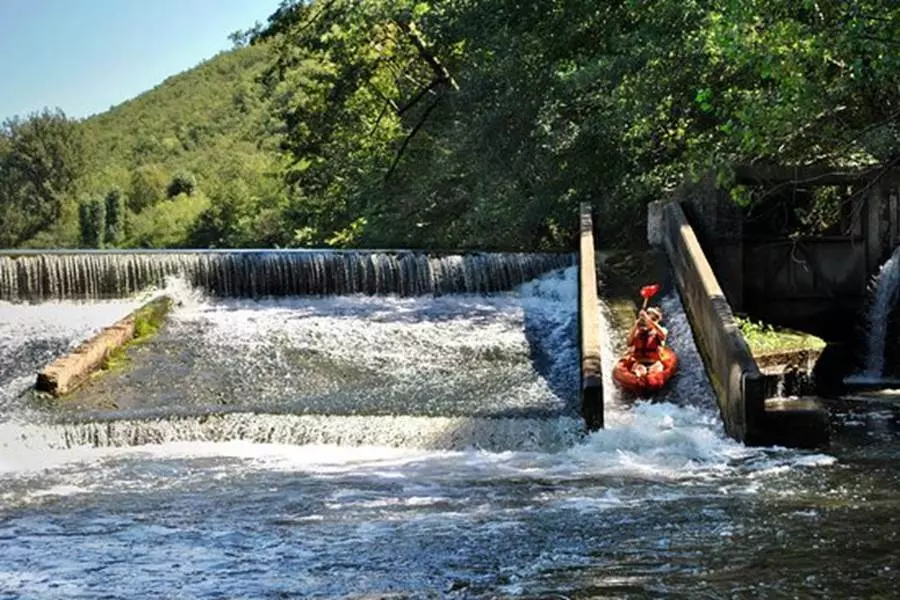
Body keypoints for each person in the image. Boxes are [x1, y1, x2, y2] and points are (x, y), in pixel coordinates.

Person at [626, 306, 668, 378]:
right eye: (649, 318)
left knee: (654, 374)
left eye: (654, 319)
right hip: (640, 363)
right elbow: (629, 343)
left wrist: (648, 319)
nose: (650, 321)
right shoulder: (637, 331)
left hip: (655, 363)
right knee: (638, 372)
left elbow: (663, 335)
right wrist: (637, 323)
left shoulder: (662, 331)